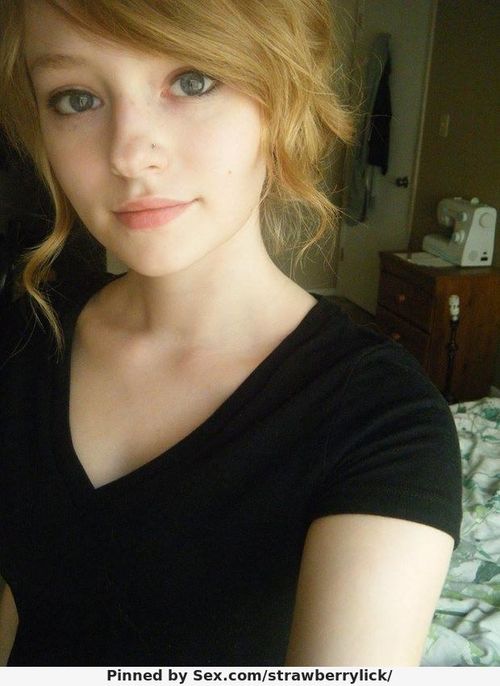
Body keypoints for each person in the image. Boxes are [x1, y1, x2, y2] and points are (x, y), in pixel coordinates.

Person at [0, 0, 462, 667]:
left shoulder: (382, 420)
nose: (129, 155)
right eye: (76, 98)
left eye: (192, 82)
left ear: (283, 99)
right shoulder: (25, 334)